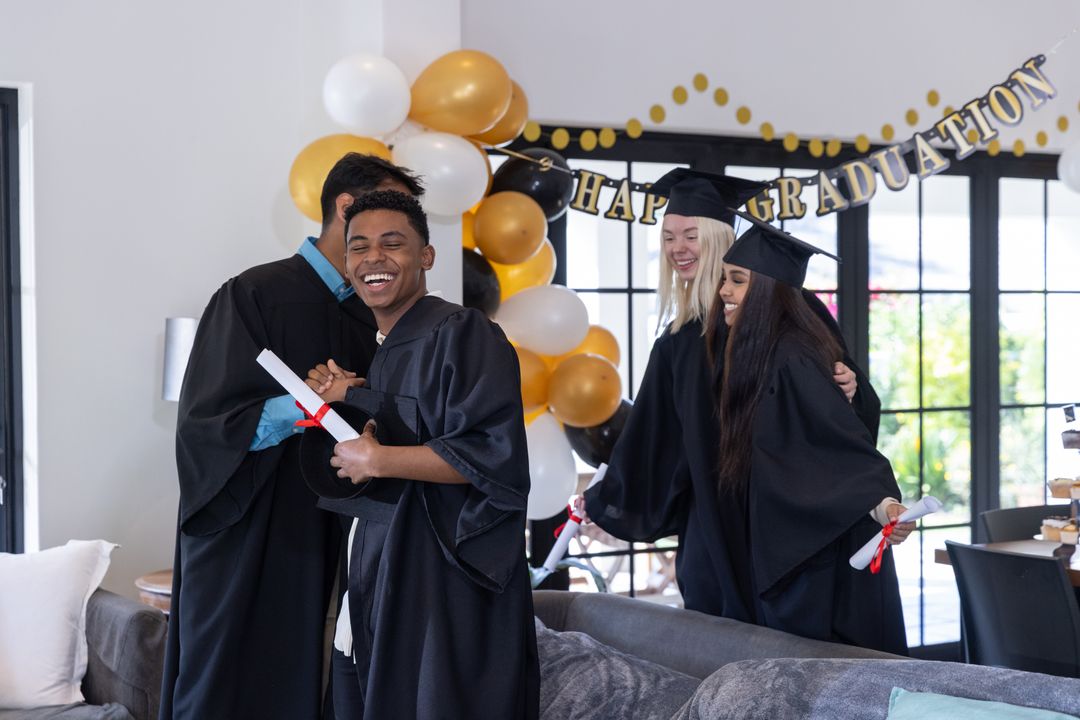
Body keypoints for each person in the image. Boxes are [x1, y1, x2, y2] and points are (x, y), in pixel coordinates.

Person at [161, 154, 423, 720]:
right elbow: (207, 426)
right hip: (246, 526)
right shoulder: (253, 294)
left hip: (325, 530)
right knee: (227, 682)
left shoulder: (374, 316)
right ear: (347, 209)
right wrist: (306, 406)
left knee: (312, 681)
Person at [578, 169, 880, 619]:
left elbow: (839, 407)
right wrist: (610, 498)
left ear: (721, 238)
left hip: (787, 521)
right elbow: (656, 441)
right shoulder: (678, 344)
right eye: (667, 237)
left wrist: (851, 390)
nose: (677, 248)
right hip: (714, 531)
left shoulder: (791, 312)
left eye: (691, 235)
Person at [303, 190, 539, 720]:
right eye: (358, 247)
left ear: (427, 256)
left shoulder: (462, 332)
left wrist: (378, 460)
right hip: (383, 576)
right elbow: (419, 422)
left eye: (394, 243)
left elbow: (489, 456)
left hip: (440, 587)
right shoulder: (389, 347)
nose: (373, 259)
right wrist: (350, 398)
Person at [704, 209, 912, 653]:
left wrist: (885, 507)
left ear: (765, 292)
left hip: (817, 562)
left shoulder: (792, 358)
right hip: (789, 548)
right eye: (725, 278)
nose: (723, 290)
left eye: (737, 279)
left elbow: (837, 445)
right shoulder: (753, 354)